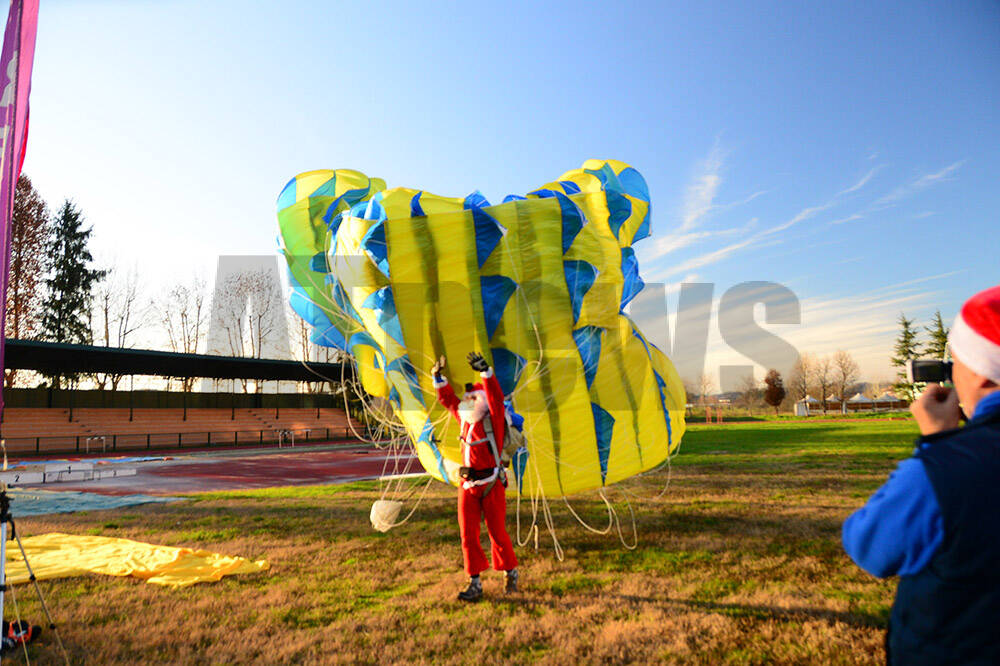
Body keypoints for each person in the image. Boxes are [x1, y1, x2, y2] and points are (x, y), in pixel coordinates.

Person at [842, 284, 1000, 665]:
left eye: (955, 363)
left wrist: (938, 446)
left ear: (979, 375)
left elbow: (871, 547)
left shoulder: (944, 470)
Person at [432, 351, 518, 602]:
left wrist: (486, 372)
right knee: (467, 535)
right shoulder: (463, 419)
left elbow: (496, 398)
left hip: (491, 483)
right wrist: (438, 377)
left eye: (472, 398)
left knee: (497, 532)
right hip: (467, 484)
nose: (467, 401)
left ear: (480, 401)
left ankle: (510, 572)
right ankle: (475, 583)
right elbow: (448, 400)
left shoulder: (493, 419)